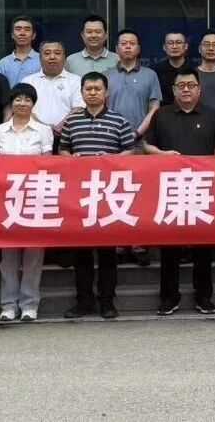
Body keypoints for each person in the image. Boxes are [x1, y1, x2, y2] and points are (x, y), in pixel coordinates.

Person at [143, 68, 215, 315]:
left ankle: (204, 296)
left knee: (203, 246)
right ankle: (169, 297)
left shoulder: (212, 115)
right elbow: (147, 146)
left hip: (202, 188)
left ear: (199, 89)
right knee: (170, 246)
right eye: (181, 86)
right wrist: (163, 155)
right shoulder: (162, 114)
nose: (186, 89)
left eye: (191, 85)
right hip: (171, 188)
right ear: (173, 90)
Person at [56, 72, 136, 320]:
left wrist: (111, 159)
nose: (92, 93)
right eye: (88, 89)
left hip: (109, 196)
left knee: (107, 252)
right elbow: (62, 150)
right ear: (81, 92)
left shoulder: (119, 121)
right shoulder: (72, 122)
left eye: (97, 89)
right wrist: (72, 159)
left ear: (106, 93)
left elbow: (132, 151)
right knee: (81, 252)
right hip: (79, 197)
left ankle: (107, 302)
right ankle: (84, 301)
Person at [0, 83, 54, 322]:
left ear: (33, 104)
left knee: (33, 255)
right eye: (18, 99)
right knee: (8, 256)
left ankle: (29, 304)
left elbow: (48, 165)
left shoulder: (43, 131)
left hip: (35, 197)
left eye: (27, 100)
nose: (22, 103)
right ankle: (8, 304)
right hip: (6, 198)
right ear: (11, 103)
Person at [108, 29, 163, 142]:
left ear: (138, 49)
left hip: (141, 140)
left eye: (132, 43)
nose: (128, 46)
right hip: (110, 138)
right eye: (123, 43)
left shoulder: (150, 75)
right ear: (117, 49)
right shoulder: (106, 76)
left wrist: (137, 133)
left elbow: (154, 108)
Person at [22, 40, 84, 128]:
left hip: (68, 132)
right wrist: (44, 128)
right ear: (40, 58)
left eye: (57, 53)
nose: (52, 57)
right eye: (47, 53)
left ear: (64, 57)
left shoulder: (76, 81)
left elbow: (79, 107)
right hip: (34, 133)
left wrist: (61, 126)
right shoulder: (28, 81)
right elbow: (24, 109)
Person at [0, 15, 41, 87]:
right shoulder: (3, 64)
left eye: (27, 29)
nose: (22, 33)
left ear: (33, 35)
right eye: (18, 29)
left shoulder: (42, 61)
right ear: (12, 35)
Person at [155, 31, 191, 106]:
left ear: (186, 46)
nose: (174, 46)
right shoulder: (155, 72)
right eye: (170, 43)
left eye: (178, 42)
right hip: (163, 112)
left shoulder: (194, 69)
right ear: (164, 47)